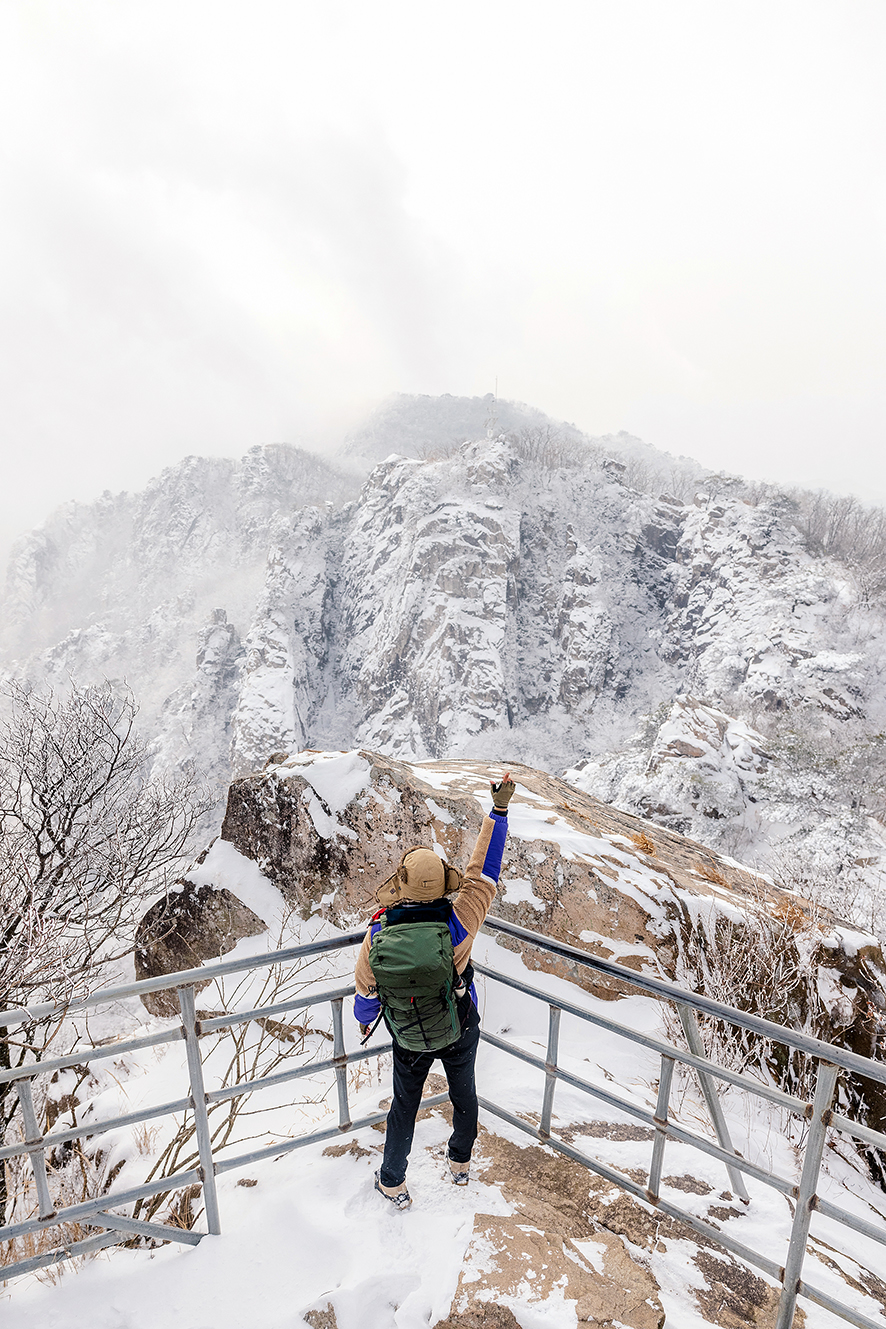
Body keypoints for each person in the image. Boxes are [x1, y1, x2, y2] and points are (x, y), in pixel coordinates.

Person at [354, 772, 515, 1209]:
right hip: (459, 1024)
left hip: (408, 1034)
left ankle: (392, 1181)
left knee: (405, 1105)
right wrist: (498, 811)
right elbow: (486, 872)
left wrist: (369, 1023)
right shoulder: (461, 920)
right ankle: (460, 1164)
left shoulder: (379, 932)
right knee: (464, 1096)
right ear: (444, 883)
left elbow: (366, 998)